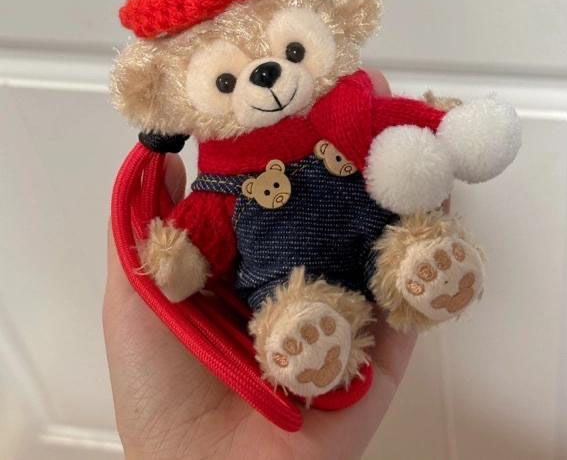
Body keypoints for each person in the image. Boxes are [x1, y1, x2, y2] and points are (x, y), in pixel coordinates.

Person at [103, 70, 417, 459]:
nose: (267, 74)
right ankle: (305, 331)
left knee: (401, 235)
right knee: (288, 302)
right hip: (286, 279)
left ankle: (420, 261)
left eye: (295, 52)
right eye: (224, 81)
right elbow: (200, 231)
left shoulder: (345, 110)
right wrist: (179, 256)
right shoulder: (227, 177)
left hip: (366, 219)